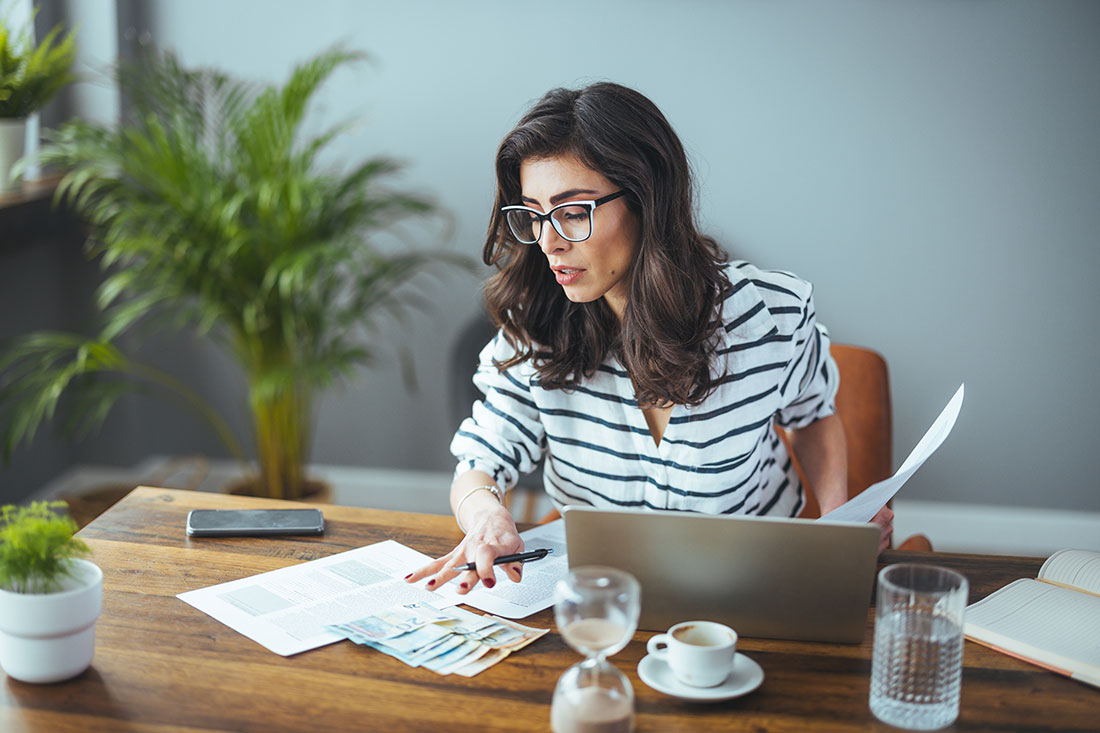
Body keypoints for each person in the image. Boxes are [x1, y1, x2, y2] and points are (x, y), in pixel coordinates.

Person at [406, 82, 892, 594]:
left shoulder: (769, 316)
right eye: (533, 214)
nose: (548, 243)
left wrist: (838, 517)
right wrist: (486, 516)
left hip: (755, 586)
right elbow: (483, 459)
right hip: (602, 597)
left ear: (646, 200)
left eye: (573, 212)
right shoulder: (535, 329)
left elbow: (812, 416)